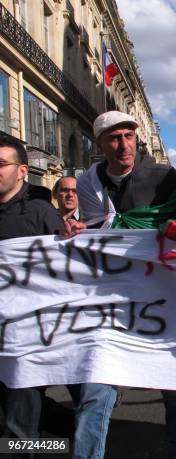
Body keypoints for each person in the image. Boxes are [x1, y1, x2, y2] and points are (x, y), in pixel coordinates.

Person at [67, 110, 176, 459]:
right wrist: (77, 230)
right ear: (100, 144)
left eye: (128, 136)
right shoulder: (87, 183)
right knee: (95, 386)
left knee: (174, 386)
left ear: (137, 138)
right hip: (110, 300)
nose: (123, 145)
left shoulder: (165, 176)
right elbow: (92, 229)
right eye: (114, 138)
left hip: (162, 297)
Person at [0, 135, 66, 448]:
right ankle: (71, 428)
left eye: (1, 164)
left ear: (23, 171)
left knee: (19, 422)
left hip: (28, 337)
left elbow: (67, 272)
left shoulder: (41, 214)